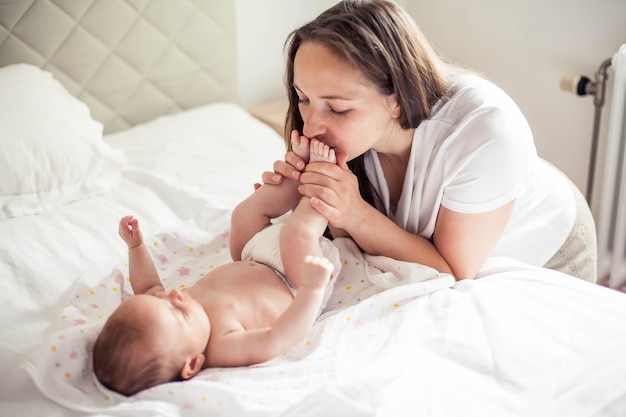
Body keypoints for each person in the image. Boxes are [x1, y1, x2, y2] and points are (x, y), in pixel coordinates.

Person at [262, 0, 597, 282]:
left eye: (337, 109)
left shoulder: (486, 130)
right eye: (304, 99)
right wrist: (311, 199)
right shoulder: (347, 139)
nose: (311, 126)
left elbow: (452, 270)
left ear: (396, 98)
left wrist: (355, 213)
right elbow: (352, 249)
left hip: (547, 249)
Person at [93, 139, 339, 396]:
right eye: (178, 311)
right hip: (296, 279)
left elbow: (148, 286)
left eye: (163, 298)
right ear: (192, 364)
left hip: (253, 255)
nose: (174, 294)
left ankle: (296, 171)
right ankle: (322, 180)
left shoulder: (163, 313)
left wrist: (136, 248)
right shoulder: (222, 346)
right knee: (294, 234)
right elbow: (277, 338)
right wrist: (312, 288)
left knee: (244, 214)